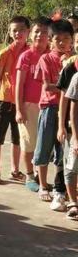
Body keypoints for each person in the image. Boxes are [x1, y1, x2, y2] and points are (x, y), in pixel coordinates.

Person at [0, 16, 30, 184]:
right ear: (10, 33)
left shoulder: (30, 53)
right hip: (5, 101)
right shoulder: (5, 53)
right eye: (14, 30)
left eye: (22, 30)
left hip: (21, 103)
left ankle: (15, 170)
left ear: (28, 32)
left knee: (18, 139)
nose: (18, 33)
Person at [34, 19, 74, 209]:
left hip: (68, 112)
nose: (62, 43)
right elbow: (47, 86)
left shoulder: (74, 60)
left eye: (66, 38)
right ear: (51, 40)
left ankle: (60, 190)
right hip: (50, 108)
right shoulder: (46, 59)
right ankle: (43, 186)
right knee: (44, 146)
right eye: (58, 39)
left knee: (63, 152)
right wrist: (65, 87)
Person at [15, 17, 52, 192]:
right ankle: (29, 176)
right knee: (29, 143)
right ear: (31, 34)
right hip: (28, 106)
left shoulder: (52, 56)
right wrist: (19, 109)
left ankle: (40, 175)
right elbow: (19, 85)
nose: (40, 35)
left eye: (44, 32)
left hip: (47, 106)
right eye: (37, 31)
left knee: (42, 143)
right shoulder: (26, 56)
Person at [58, 30, 78, 218]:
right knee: (71, 164)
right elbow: (65, 100)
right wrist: (61, 126)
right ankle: (72, 201)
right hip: (72, 127)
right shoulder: (70, 69)